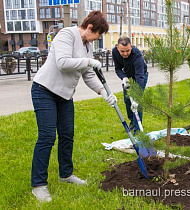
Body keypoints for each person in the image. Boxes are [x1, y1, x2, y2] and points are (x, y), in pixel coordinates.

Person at [31, 11, 117, 202]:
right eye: (97, 35)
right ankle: (38, 185)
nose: (96, 40)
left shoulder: (87, 46)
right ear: (90, 27)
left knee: (67, 135)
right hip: (44, 90)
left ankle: (66, 175)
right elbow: (62, 63)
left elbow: (88, 74)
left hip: (64, 96)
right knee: (46, 137)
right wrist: (88, 62)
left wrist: (104, 93)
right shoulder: (67, 34)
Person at [112, 36, 148, 133]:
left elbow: (140, 76)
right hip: (127, 77)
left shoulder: (137, 55)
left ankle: (138, 131)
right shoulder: (115, 52)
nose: (125, 53)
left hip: (139, 77)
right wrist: (123, 77)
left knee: (137, 103)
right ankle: (132, 120)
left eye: (127, 51)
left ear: (131, 46)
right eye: (122, 51)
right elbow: (118, 69)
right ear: (117, 48)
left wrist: (137, 95)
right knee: (127, 100)